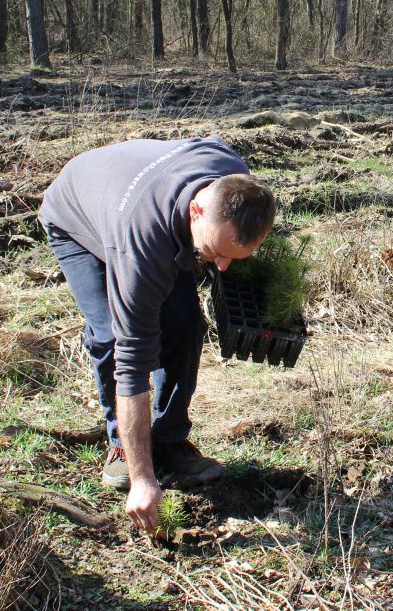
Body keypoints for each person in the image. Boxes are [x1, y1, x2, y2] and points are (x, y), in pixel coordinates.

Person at [39, 135, 275, 534]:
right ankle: (124, 448)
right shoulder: (141, 246)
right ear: (196, 211)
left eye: (230, 257)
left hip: (142, 195)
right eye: (215, 251)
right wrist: (143, 480)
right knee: (112, 335)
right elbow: (132, 367)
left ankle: (168, 438)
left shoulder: (235, 180)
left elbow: (221, 247)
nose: (221, 267)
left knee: (184, 319)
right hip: (77, 214)